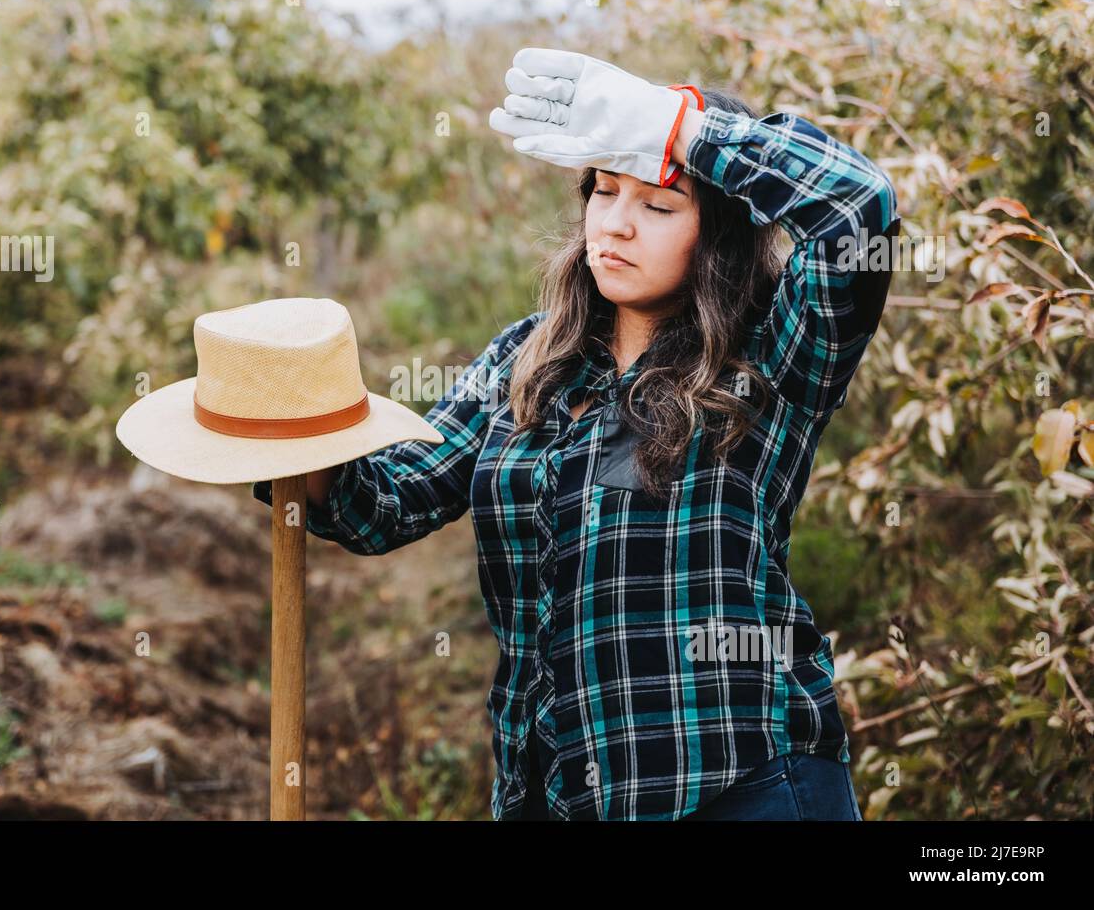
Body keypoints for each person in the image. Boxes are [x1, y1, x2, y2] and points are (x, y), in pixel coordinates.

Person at [254, 48, 899, 820]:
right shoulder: (526, 360)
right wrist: (292, 427)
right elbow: (385, 502)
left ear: (720, 231)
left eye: (659, 205)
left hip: (741, 786)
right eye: (603, 190)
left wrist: (677, 128)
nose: (617, 225)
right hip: (551, 794)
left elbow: (858, 207)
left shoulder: (775, 355)